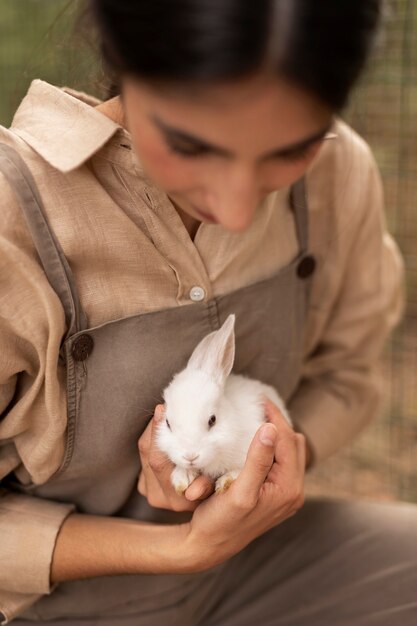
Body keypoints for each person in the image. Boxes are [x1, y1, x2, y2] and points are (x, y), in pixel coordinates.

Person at [0, 0, 416, 624]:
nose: (241, 210)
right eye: (193, 146)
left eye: (290, 149)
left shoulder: (338, 172)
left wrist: (269, 458)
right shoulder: (13, 219)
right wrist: (182, 547)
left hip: (253, 563)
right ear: (124, 57)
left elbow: (348, 377)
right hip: (51, 604)